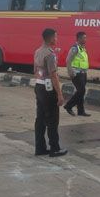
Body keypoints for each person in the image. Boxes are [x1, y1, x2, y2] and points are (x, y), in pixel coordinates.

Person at [34, 28, 67, 157]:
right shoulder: (50, 54)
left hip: (39, 86)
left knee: (40, 118)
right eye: (56, 37)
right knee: (52, 119)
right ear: (51, 38)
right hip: (48, 89)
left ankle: (40, 148)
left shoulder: (37, 51)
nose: (56, 39)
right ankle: (55, 148)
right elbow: (54, 76)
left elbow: (35, 70)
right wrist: (59, 94)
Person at [64, 31, 91, 117]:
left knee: (81, 92)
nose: (85, 39)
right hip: (76, 73)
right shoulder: (75, 48)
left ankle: (81, 111)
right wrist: (70, 71)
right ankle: (68, 106)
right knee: (81, 90)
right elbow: (68, 60)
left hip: (83, 73)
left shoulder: (82, 48)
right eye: (84, 38)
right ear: (79, 38)